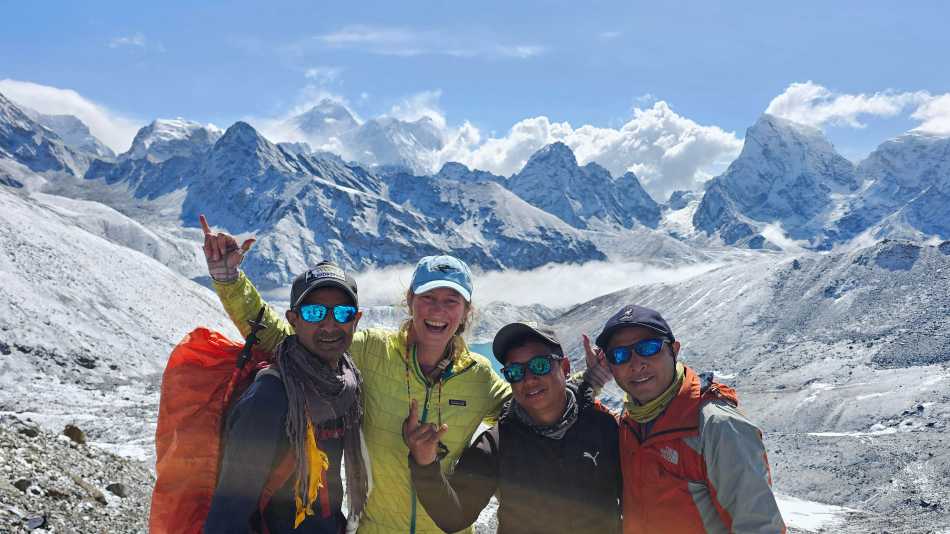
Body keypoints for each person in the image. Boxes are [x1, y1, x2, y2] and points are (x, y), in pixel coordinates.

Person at [200, 215, 510, 534]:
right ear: (410, 302)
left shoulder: (479, 376)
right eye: (428, 298)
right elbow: (291, 341)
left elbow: (534, 410)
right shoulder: (372, 351)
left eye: (451, 301)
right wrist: (229, 280)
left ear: (465, 312)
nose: (437, 310)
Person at [203, 257, 369, 534]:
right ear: (293, 319)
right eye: (315, 313)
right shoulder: (269, 398)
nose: (329, 325)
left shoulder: (346, 387)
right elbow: (228, 515)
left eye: (342, 313)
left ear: (356, 320)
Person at [406, 321, 621, 534]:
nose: (528, 379)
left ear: (564, 368)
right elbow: (454, 517)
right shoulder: (496, 444)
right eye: (515, 372)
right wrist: (425, 465)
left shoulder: (603, 427)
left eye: (540, 365)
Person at [594, 304, 786, 534]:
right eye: (620, 355)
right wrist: (588, 385)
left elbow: (759, 528)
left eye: (649, 348)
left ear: (674, 350)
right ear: (611, 367)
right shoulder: (632, 420)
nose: (636, 364)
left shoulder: (717, 427)